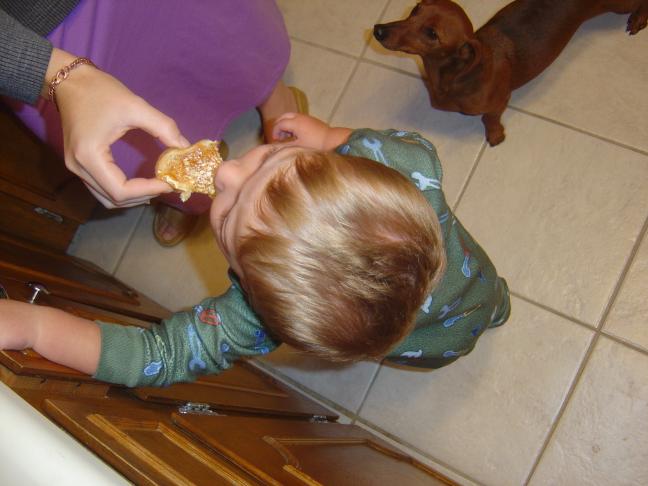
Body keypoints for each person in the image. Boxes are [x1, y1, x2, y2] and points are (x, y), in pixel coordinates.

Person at [0, 113, 511, 385]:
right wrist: (327, 138)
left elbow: (155, 357)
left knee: (465, 323)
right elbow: (385, 142)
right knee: (492, 300)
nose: (225, 171)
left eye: (225, 215)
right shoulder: (405, 163)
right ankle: (499, 307)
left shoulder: (254, 316)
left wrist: (37, 328)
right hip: (470, 293)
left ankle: (495, 309)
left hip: (428, 349)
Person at [0, 0, 303, 246]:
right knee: (126, 143)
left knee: (217, 36)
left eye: (228, 216)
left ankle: (266, 90)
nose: (224, 172)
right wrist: (45, 71)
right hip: (30, 24)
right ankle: (181, 186)